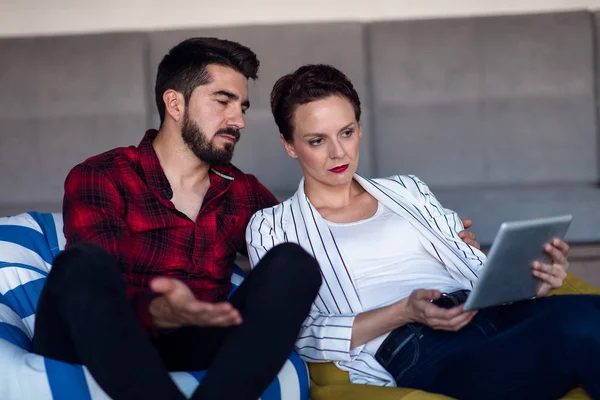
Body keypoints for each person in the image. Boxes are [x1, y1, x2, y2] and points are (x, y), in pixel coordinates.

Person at [246, 64, 600, 400]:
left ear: (359, 128)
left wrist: (529, 286)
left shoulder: (407, 189)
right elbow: (299, 334)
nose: (338, 152)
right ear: (289, 145)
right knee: (574, 326)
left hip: (490, 312)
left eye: (347, 132)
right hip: (421, 348)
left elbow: (474, 265)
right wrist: (405, 311)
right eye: (317, 141)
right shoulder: (272, 227)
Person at [31, 38, 323, 400]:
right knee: (81, 263)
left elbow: (306, 254)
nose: (240, 121)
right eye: (222, 102)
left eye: (242, 107)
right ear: (175, 103)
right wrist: (158, 310)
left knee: (295, 263)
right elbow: (99, 287)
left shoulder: (243, 192)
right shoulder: (103, 175)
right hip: (108, 335)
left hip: (198, 338)